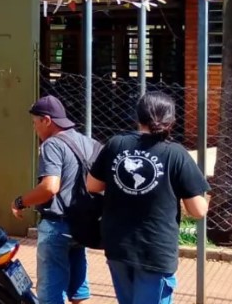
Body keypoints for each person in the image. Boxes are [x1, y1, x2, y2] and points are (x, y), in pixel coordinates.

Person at [88, 91, 210, 304]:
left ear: (138, 116)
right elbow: (198, 210)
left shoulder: (116, 144)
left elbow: (92, 185)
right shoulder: (176, 153)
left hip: (118, 246)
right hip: (156, 250)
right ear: (171, 120)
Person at [11, 95, 95, 304]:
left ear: (46, 120)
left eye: (35, 123)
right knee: (78, 290)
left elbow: (50, 187)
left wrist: (20, 202)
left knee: (50, 294)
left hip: (57, 226)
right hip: (82, 225)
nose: (34, 128)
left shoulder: (52, 145)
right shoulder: (88, 142)